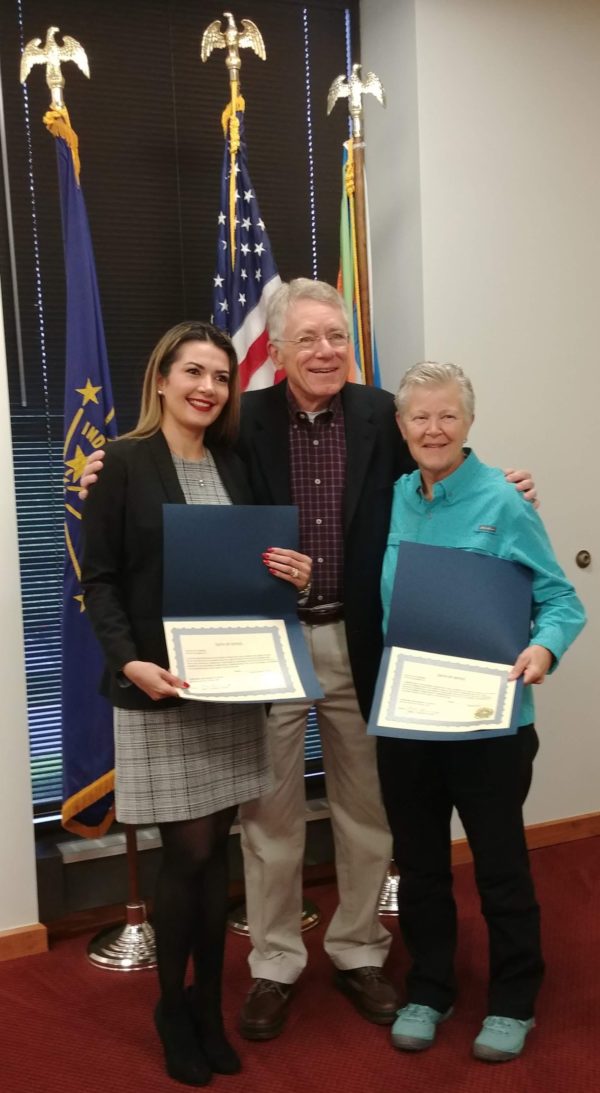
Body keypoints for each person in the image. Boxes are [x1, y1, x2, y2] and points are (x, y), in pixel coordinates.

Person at [79, 280, 538, 1041]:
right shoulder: (240, 418)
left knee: (367, 813)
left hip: (364, 642)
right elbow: (173, 472)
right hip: (265, 645)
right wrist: (101, 473)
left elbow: (441, 458)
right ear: (279, 350)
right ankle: (275, 961)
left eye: (338, 337)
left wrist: (504, 478)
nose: (325, 351)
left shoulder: (382, 413)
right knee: (270, 817)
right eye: (308, 339)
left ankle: (360, 949)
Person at [81, 320, 311, 1087]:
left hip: (232, 688)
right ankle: (172, 1007)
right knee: (187, 855)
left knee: (217, 860)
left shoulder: (236, 463)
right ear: (161, 378)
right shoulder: (121, 462)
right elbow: (101, 580)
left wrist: (295, 573)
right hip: (160, 688)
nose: (208, 387)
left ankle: (209, 1006)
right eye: (193, 372)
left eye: (219, 375)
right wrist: (131, 661)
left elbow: (257, 571)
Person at [377, 361, 586, 1063]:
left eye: (448, 416)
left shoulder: (504, 498)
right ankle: (430, 986)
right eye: (419, 417)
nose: (433, 429)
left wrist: (543, 652)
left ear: (469, 422)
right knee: (421, 865)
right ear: (401, 426)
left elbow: (562, 600)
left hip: (489, 724)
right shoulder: (398, 496)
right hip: (407, 719)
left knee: (499, 864)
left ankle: (513, 996)